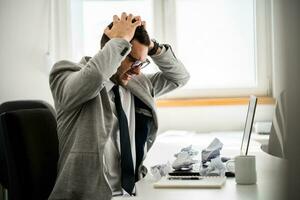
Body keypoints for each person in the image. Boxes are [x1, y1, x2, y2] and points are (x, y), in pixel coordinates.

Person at [48, 12, 189, 200]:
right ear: (112, 48)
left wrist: (153, 48)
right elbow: (96, 76)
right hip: (85, 196)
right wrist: (121, 38)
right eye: (132, 60)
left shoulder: (138, 84)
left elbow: (180, 77)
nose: (138, 70)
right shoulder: (66, 75)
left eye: (142, 62)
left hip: (132, 193)